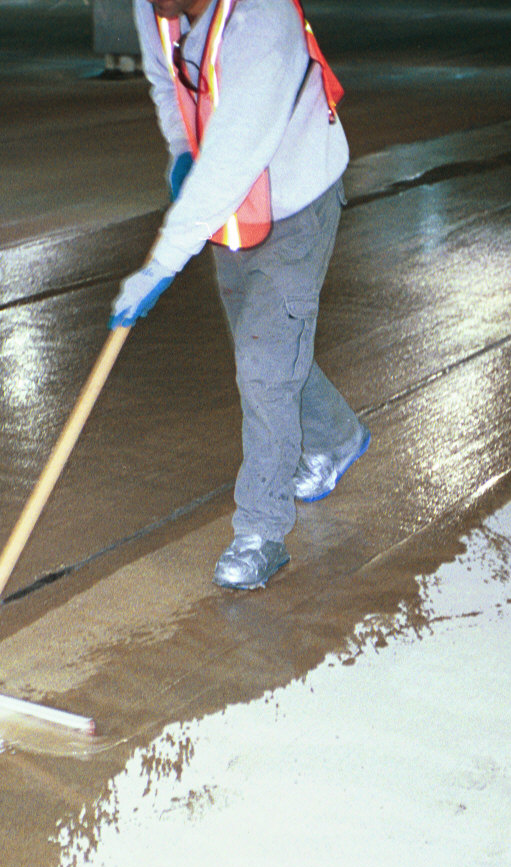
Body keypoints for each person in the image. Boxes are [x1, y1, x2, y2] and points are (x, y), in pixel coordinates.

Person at [111, 0, 369, 590]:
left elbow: (232, 160)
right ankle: (336, 437)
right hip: (233, 205)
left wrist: (160, 265)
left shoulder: (263, 20)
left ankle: (261, 532)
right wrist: (181, 150)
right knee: (266, 349)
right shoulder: (157, 6)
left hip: (297, 195)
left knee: (263, 367)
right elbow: (164, 80)